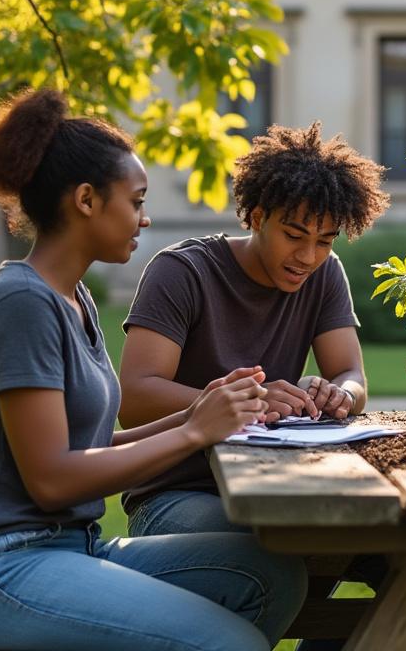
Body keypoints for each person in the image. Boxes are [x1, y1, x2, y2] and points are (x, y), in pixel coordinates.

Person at [0, 89, 306, 651]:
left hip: (71, 548)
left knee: (272, 574)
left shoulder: (73, 298)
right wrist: (190, 431)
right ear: (86, 200)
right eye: (135, 201)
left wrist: (206, 411)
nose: (144, 216)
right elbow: (53, 478)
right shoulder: (21, 304)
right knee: (229, 644)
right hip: (2, 567)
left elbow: (92, 444)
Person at [117, 121, 390, 538]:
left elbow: (352, 376)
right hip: (177, 492)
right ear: (258, 217)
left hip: (279, 482)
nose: (308, 256)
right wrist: (251, 402)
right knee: (272, 550)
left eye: (325, 241)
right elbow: (134, 398)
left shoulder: (324, 275)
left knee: (372, 540)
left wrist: (339, 394)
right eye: (294, 235)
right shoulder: (182, 272)